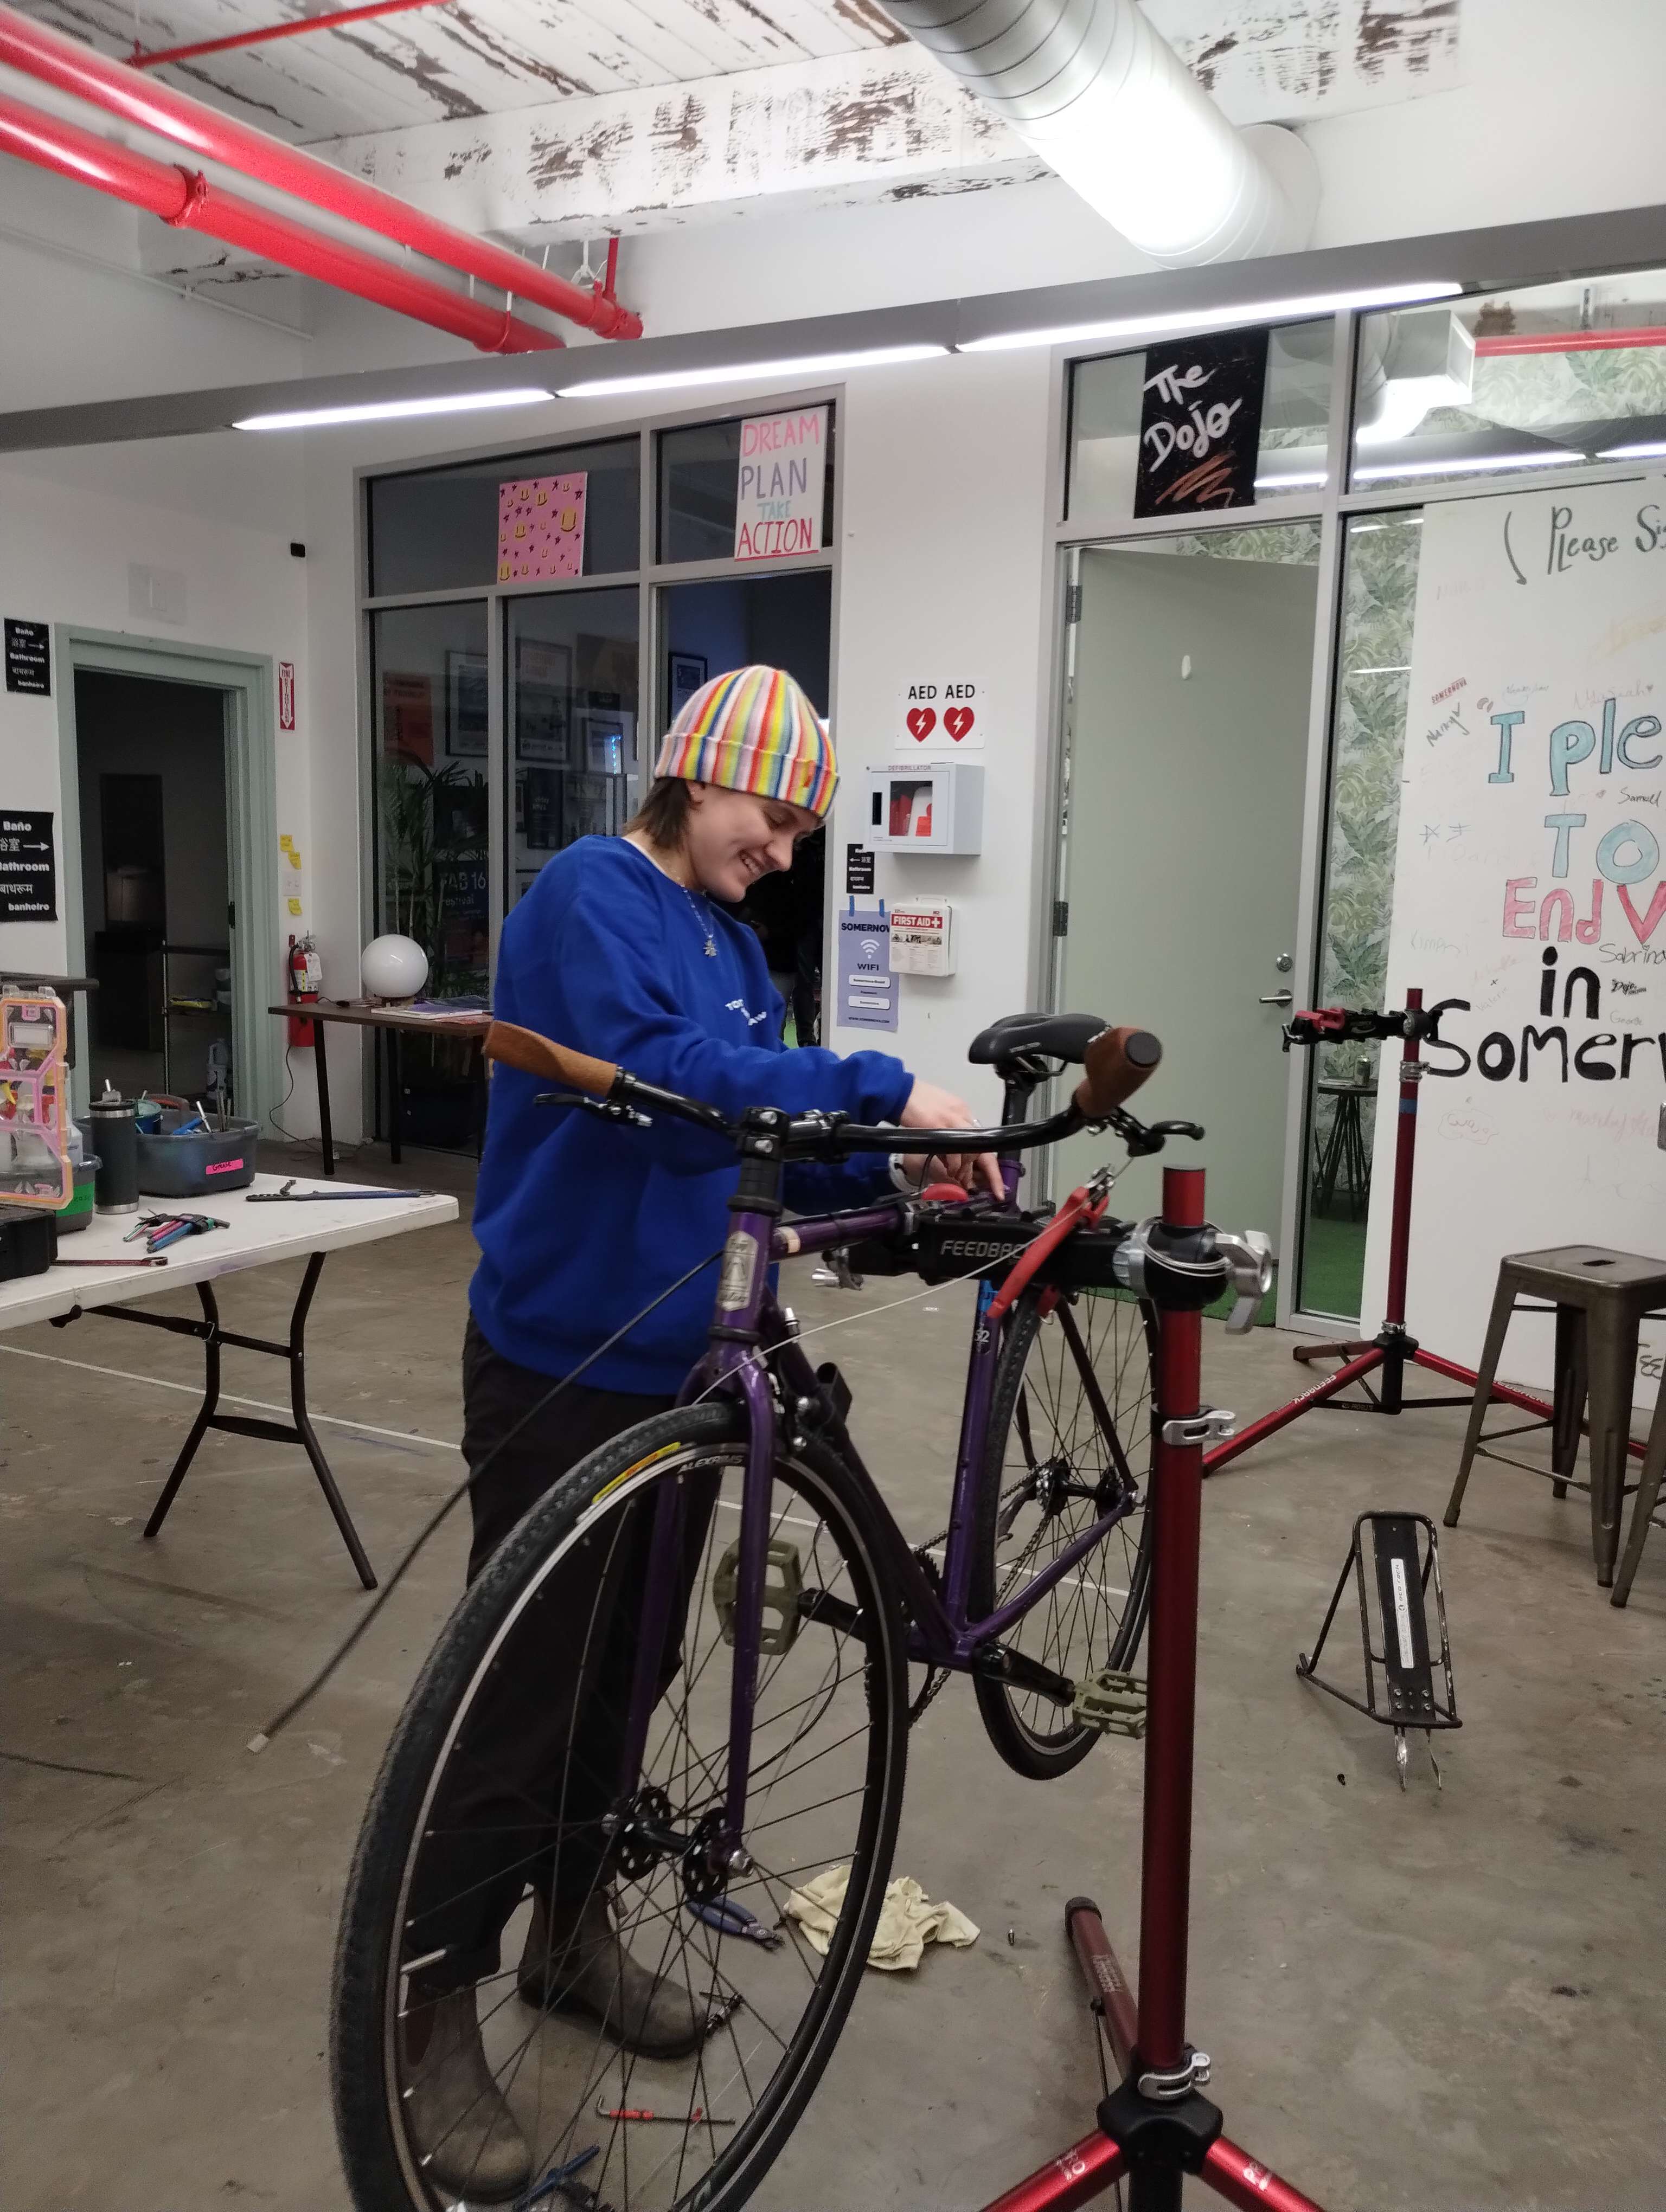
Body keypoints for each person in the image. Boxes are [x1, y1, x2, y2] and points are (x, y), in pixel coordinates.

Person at [406, 665, 998, 2197]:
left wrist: (894, 1173)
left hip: (691, 1376)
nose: (783, 854)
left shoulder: (737, 948)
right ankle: (430, 2010)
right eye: (773, 819)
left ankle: (574, 1935)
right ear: (695, 778)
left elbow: (763, 1143)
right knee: (523, 1700)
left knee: (632, 1674)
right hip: (563, 1362)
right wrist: (888, 1082)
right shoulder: (590, 898)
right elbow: (666, 1084)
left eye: (802, 834)